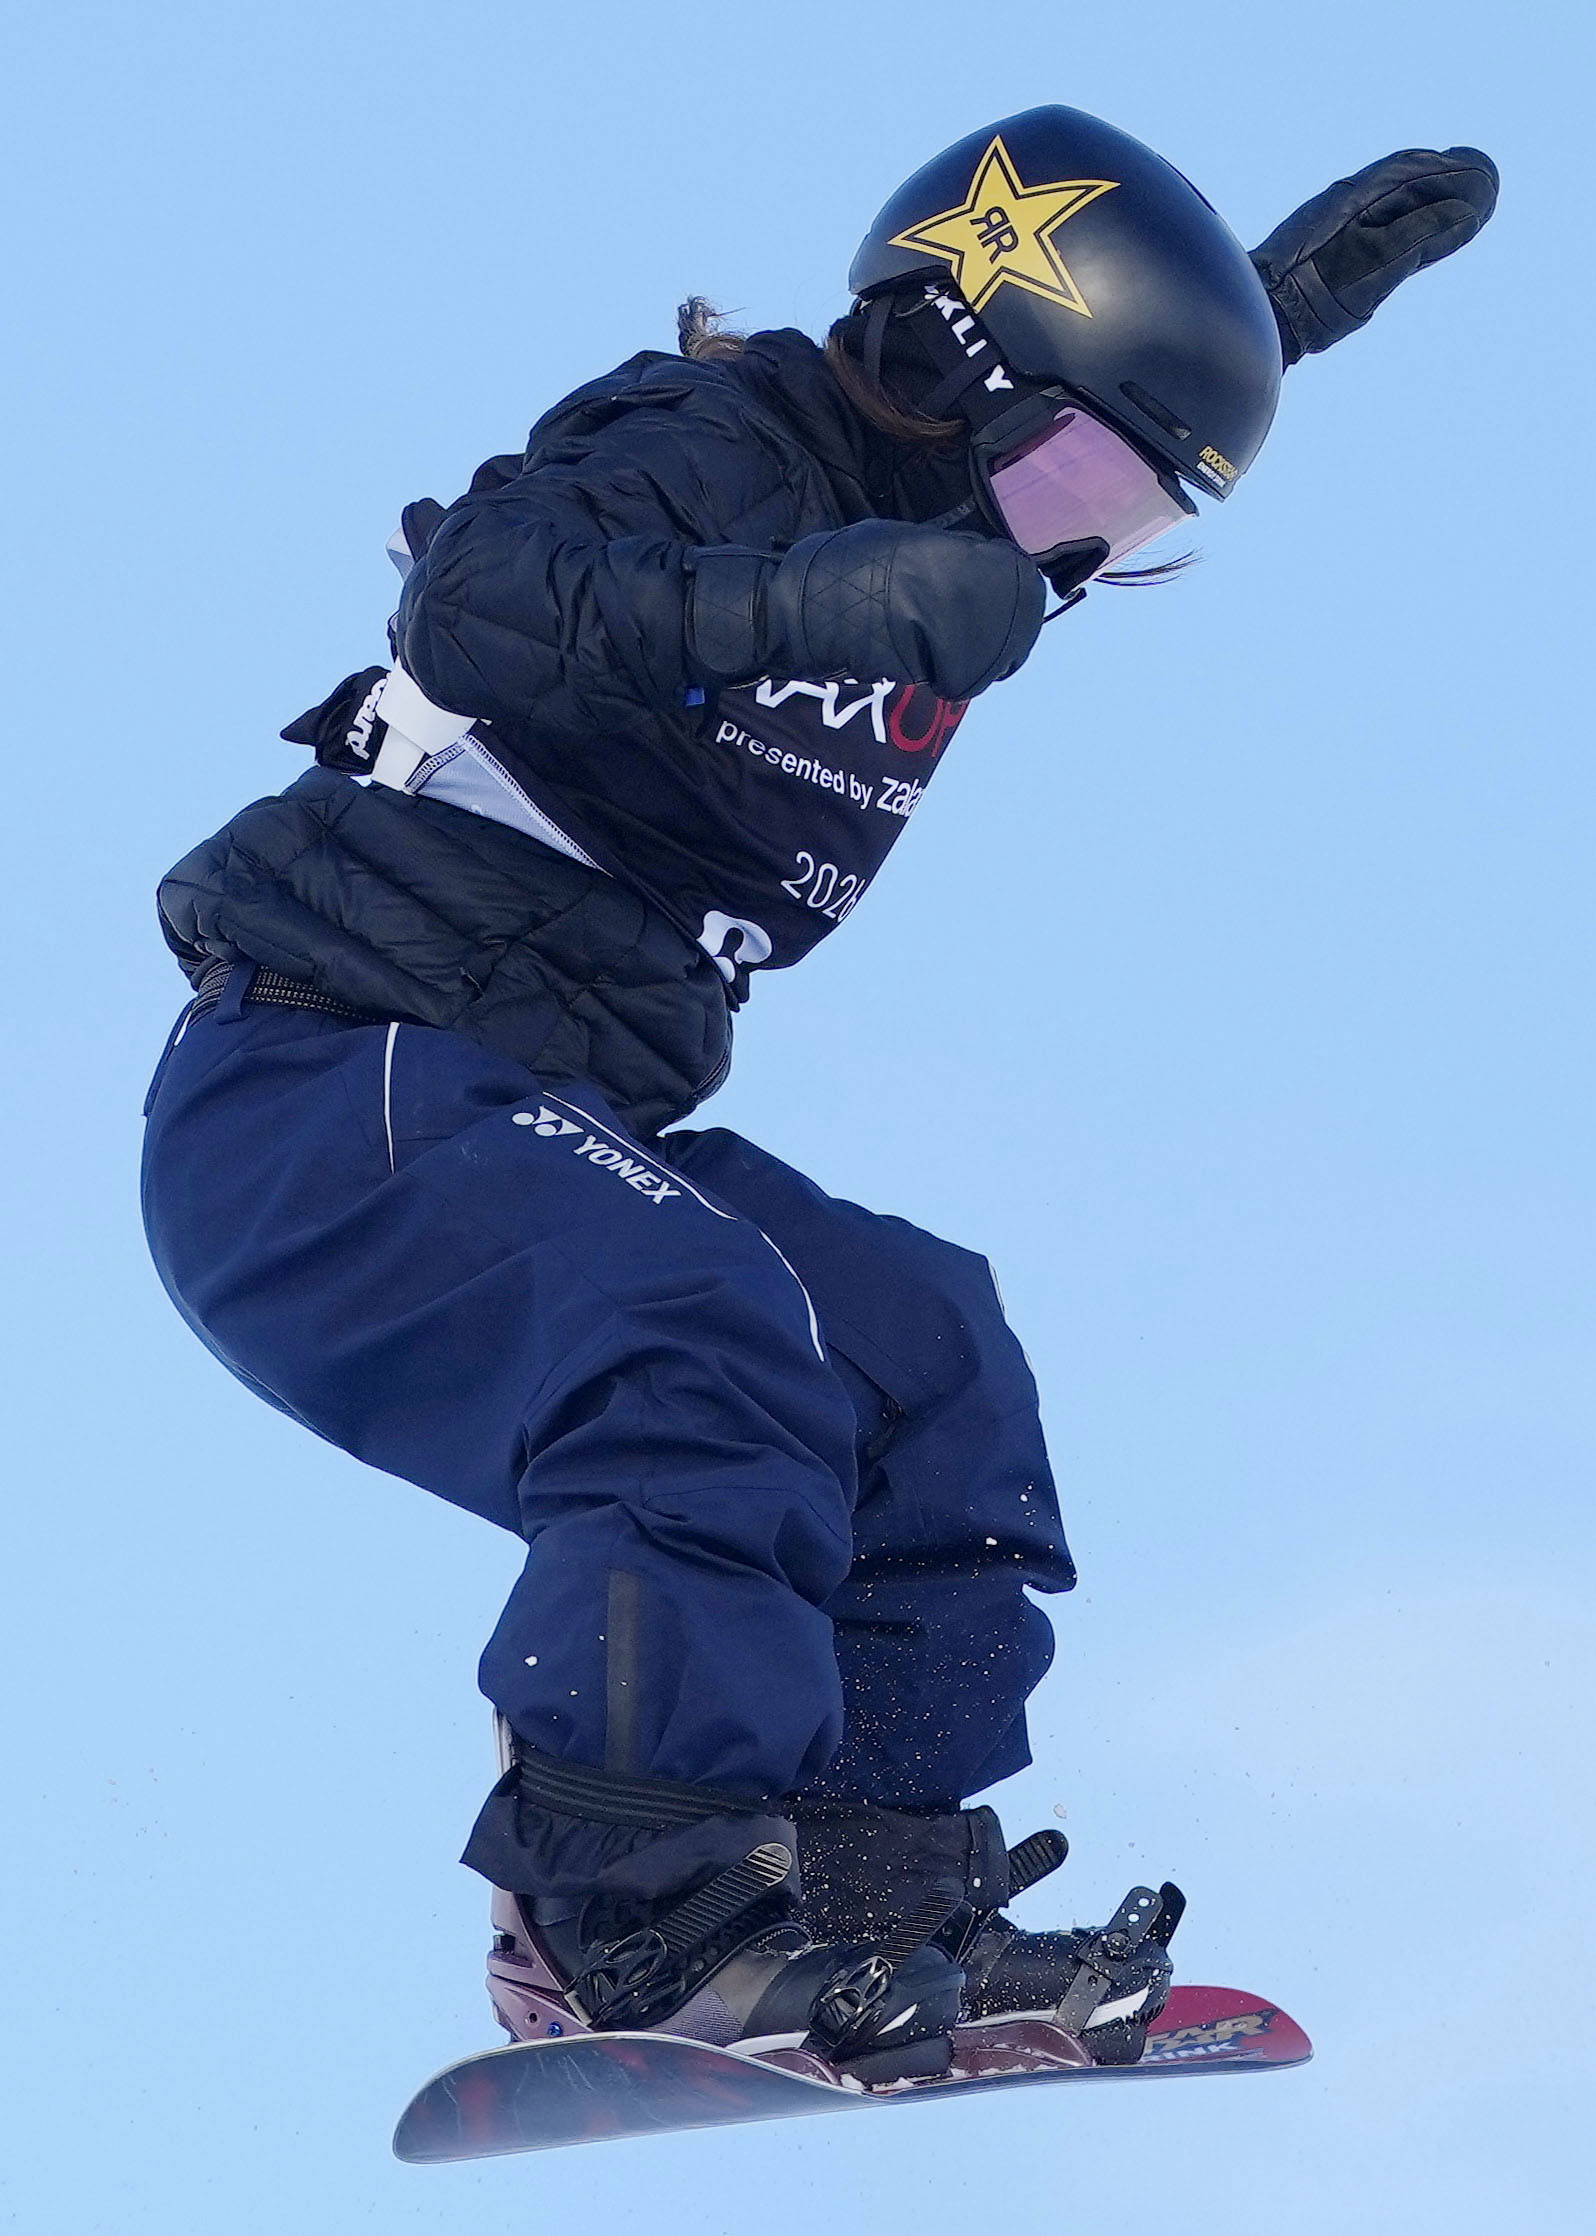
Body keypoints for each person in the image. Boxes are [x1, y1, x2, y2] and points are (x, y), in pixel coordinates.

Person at [141, 108, 1497, 2081]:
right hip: (325, 1089)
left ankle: (857, 1888)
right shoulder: (727, 447)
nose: (1068, 553)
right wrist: (819, 607)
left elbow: (990, 523)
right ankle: (626, 1909)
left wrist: (1260, 332)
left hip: (538, 1115)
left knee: (917, 1349)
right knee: (702, 1336)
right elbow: (485, 610)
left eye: (1125, 514)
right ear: (955, 357)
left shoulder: (963, 545)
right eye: (1069, 473)